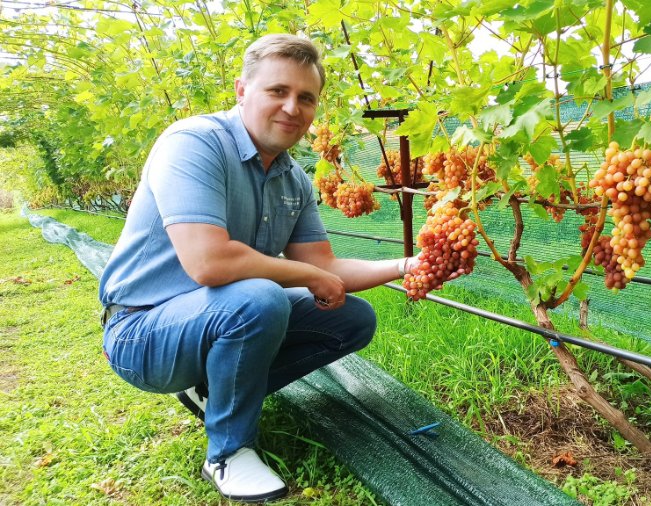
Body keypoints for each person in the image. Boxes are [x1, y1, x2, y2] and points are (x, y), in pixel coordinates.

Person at [98, 34, 416, 503]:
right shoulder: (194, 144)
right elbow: (210, 262)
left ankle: (214, 391)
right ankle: (228, 453)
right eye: (277, 91)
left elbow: (325, 266)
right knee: (259, 298)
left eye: (306, 98)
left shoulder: (293, 179)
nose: (292, 107)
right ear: (242, 90)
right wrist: (309, 277)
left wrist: (409, 264)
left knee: (351, 318)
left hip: (212, 318)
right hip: (141, 332)